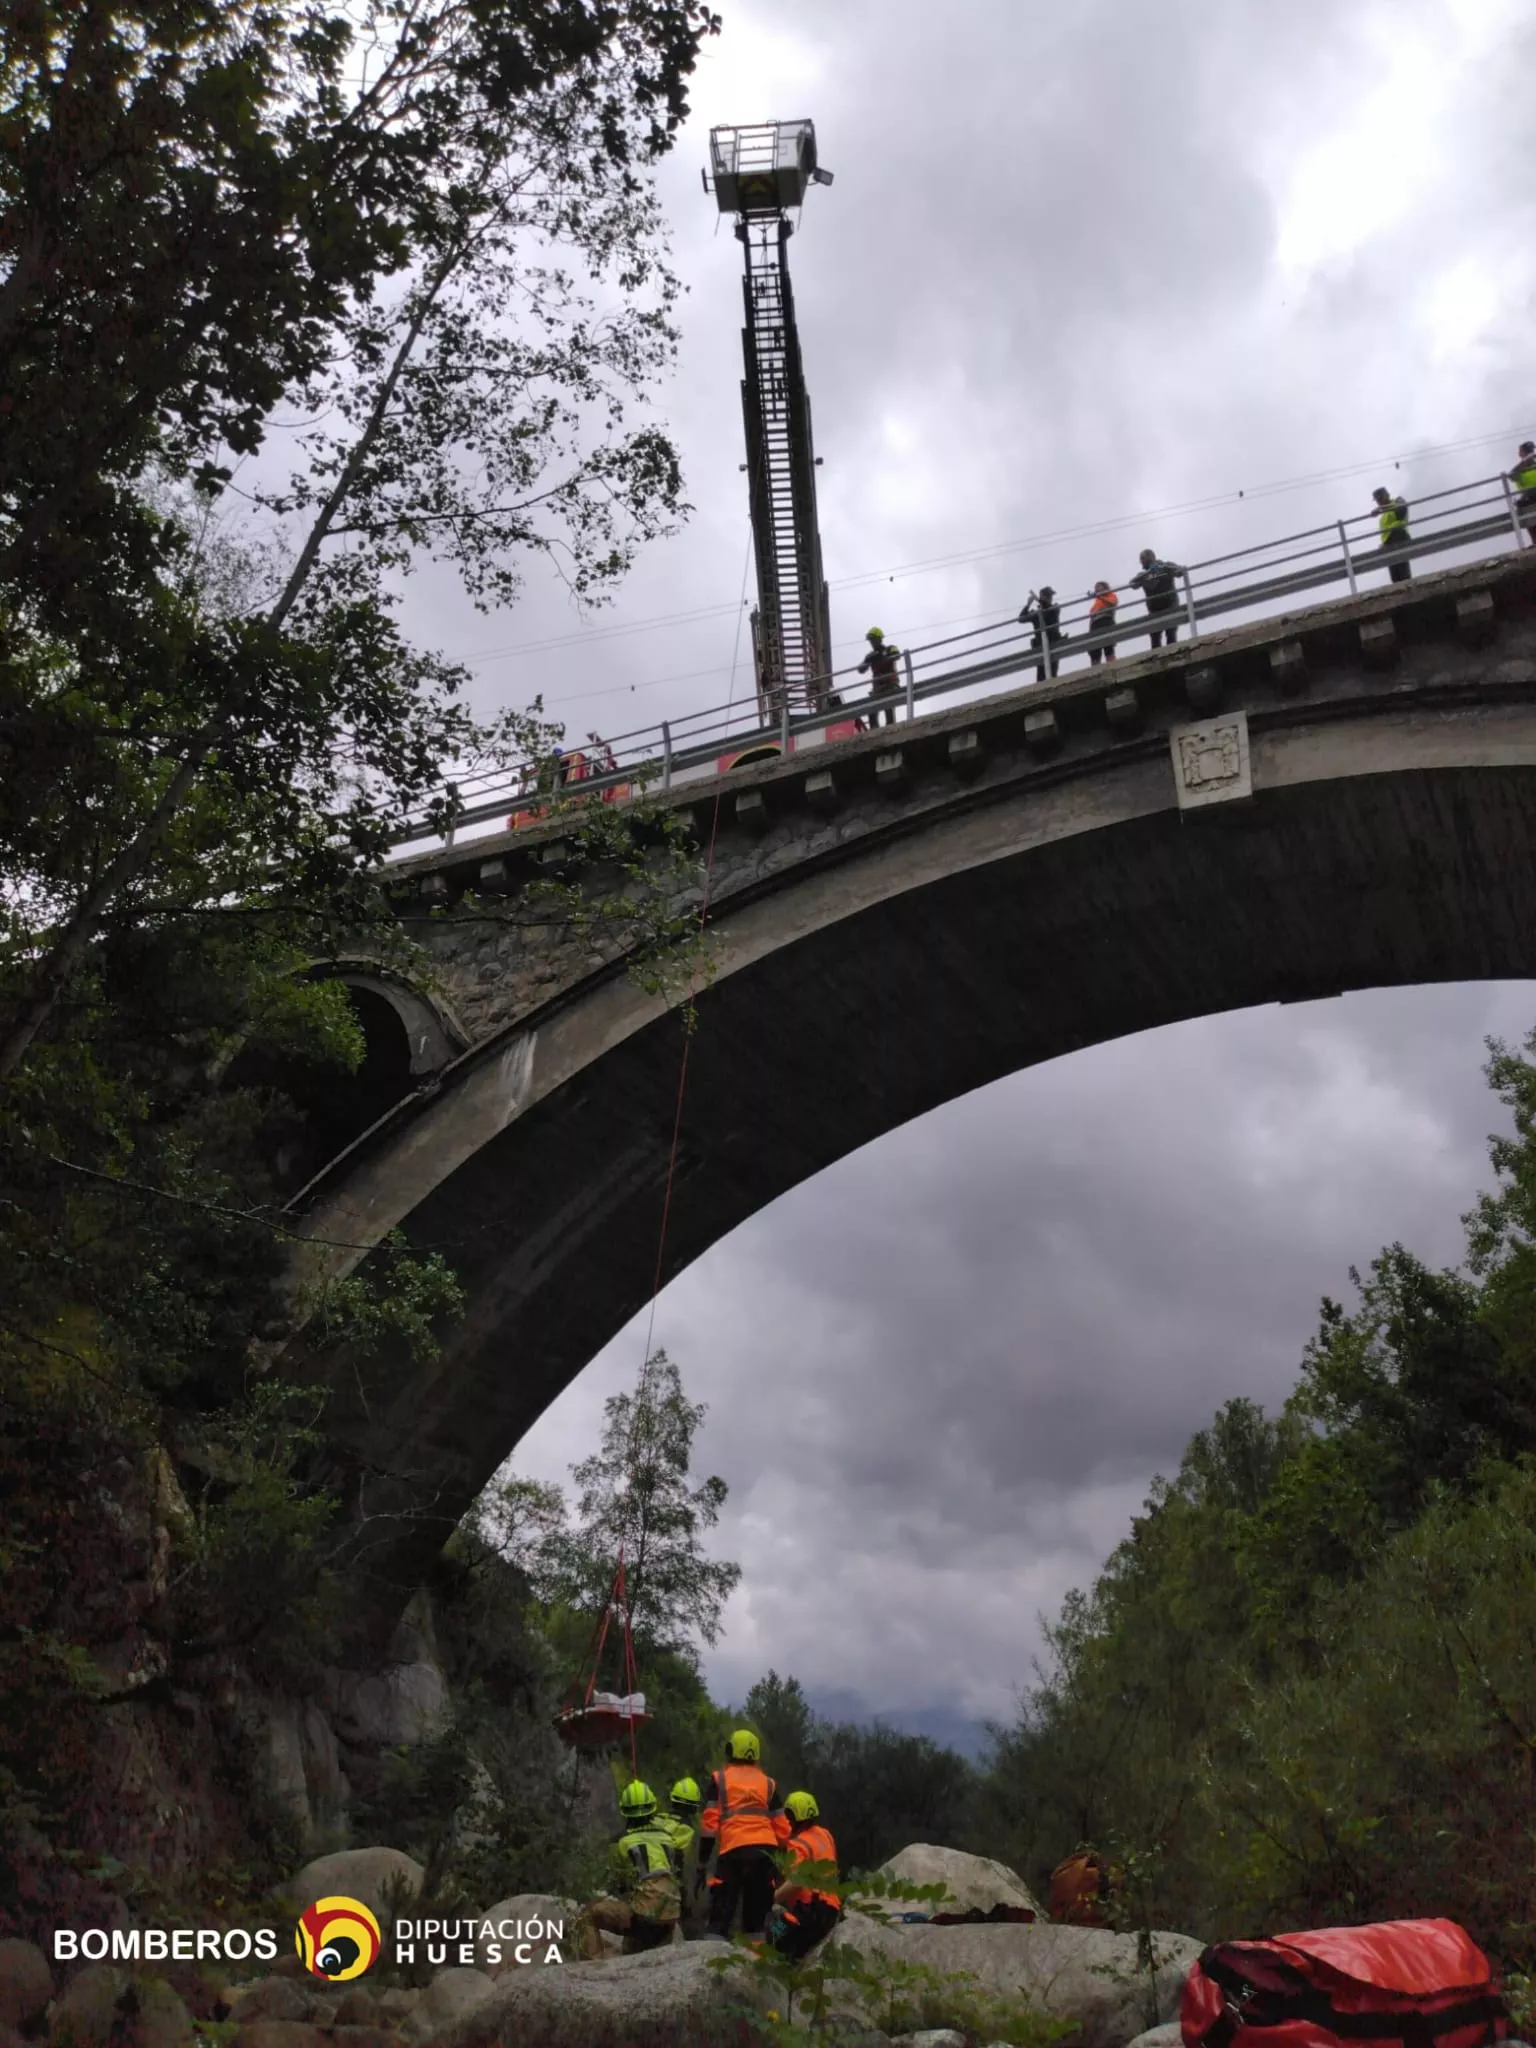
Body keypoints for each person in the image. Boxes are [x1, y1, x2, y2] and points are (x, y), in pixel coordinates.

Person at [577, 1780, 683, 1958]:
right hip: (670, 1917)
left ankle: (593, 1969)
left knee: (587, 1916)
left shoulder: (622, 1843)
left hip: (643, 1918)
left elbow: (618, 1884)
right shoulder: (668, 1838)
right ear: (653, 1809)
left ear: (625, 1812)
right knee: (631, 1948)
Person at [697, 1730, 782, 1940]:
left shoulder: (720, 1780)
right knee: (756, 1922)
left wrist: (701, 1864)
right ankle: (756, 1968)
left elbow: (709, 1828)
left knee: (720, 1916)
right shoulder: (768, 1784)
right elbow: (782, 1829)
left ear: (730, 1751)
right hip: (765, 1853)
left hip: (733, 1851)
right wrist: (784, 1865)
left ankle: (711, 1963)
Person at [766, 1790, 842, 1962]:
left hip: (810, 1912)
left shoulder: (797, 1844)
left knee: (774, 1932)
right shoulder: (825, 1835)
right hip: (832, 1909)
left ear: (793, 1817)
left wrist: (773, 1898)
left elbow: (796, 1882)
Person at [662, 1778, 704, 1937]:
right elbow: (684, 1868)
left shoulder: (659, 1819)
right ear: (694, 1807)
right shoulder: (688, 1831)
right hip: (671, 1886)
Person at [1129, 550, 1185, 647]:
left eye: (1142, 558)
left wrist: (1164, 568)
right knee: (1155, 636)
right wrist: (1147, 574)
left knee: (1171, 632)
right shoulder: (1143, 575)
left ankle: (1172, 654)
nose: (1141, 562)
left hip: (1170, 604)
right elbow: (1132, 584)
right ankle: (1156, 658)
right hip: (1154, 609)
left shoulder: (1166, 566)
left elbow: (1180, 572)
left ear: (1151, 557)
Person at [858, 628, 901, 727]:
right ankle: (874, 730)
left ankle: (890, 728)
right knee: (871, 708)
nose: (871, 642)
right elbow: (861, 670)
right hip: (877, 686)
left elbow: (897, 655)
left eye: (873, 639)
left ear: (879, 639)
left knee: (888, 705)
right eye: (870, 640)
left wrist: (882, 656)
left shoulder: (889, 648)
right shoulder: (870, 655)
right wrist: (867, 660)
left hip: (890, 683)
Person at [1018, 587, 1062, 681]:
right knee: (1041, 675)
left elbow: (1049, 608)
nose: (1049, 598)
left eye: (1050, 596)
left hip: (1053, 643)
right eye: (1046, 596)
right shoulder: (1036, 613)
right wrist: (1028, 604)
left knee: (1053, 673)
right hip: (1040, 645)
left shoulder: (1055, 607)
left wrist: (1038, 599)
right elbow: (1021, 619)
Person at [1373, 485, 1413, 583]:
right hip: (1388, 544)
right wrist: (1383, 544)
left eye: (1380, 498)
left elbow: (1401, 511)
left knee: (1403, 570)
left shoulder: (1398, 501)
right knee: (1395, 576)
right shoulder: (1382, 518)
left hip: (1399, 536)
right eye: (1377, 500)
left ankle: (1408, 587)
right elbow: (1385, 534)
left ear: (1387, 495)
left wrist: (1383, 508)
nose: (1378, 501)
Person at [1509, 441, 1536, 547]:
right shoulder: (1521, 469)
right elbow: (1511, 476)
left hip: (1531, 499)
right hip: (1528, 499)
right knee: (1530, 522)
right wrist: (1525, 461)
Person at [1086, 581, 1118, 665]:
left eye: (1098, 586)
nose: (1096, 588)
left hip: (1106, 621)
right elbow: (1092, 617)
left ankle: (1112, 666)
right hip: (1095, 625)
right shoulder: (1096, 601)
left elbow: (1112, 603)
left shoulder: (1111, 595)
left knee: (1108, 646)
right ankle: (1096, 670)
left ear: (1105, 587)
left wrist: (1100, 597)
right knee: (1094, 650)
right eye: (1095, 587)